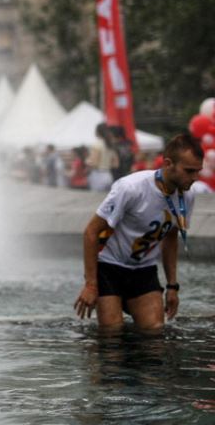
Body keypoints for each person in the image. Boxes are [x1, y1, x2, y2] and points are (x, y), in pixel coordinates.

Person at [73, 133, 203, 331]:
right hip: (109, 266)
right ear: (168, 164)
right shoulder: (131, 188)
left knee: (154, 332)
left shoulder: (187, 195)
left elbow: (170, 238)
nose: (195, 178)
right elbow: (91, 232)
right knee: (112, 335)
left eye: (198, 171)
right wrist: (91, 284)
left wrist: (172, 287)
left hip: (143, 269)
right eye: (189, 171)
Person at [86, 123, 118, 192]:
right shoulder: (110, 145)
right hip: (108, 175)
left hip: (98, 176)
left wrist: (87, 161)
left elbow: (95, 164)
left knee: (95, 200)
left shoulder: (96, 145)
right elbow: (116, 164)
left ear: (97, 132)